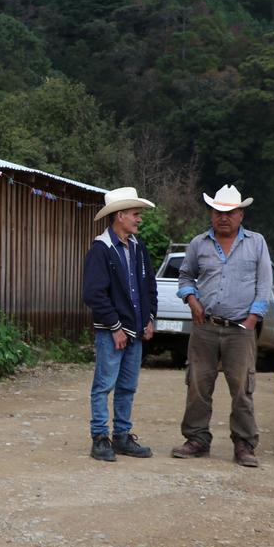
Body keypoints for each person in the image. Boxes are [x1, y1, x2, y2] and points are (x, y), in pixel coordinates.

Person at [172, 185, 270, 468]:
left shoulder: (256, 242)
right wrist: (192, 300)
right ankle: (197, 439)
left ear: (241, 215)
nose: (223, 217)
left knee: (241, 388)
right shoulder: (198, 243)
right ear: (211, 214)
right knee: (198, 384)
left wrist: (253, 318)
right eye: (217, 212)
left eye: (229, 212)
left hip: (241, 328)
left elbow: (264, 284)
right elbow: (185, 276)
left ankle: (244, 444)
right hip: (205, 326)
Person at [82, 187, 158, 462]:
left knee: (127, 386)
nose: (139, 219)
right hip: (111, 332)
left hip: (134, 330)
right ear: (120, 215)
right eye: (135, 214)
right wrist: (115, 326)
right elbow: (93, 294)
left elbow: (149, 286)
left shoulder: (137, 247)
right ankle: (100, 437)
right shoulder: (101, 249)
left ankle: (122, 436)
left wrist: (150, 318)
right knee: (104, 385)